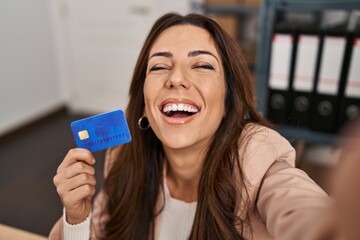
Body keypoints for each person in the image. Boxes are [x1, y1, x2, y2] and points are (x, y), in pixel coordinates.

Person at [49, 13, 333, 240]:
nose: (176, 79)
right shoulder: (124, 156)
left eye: (202, 66)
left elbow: (308, 213)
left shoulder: (260, 161)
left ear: (228, 98)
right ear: (144, 103)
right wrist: (76, 218)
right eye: (159, 67)